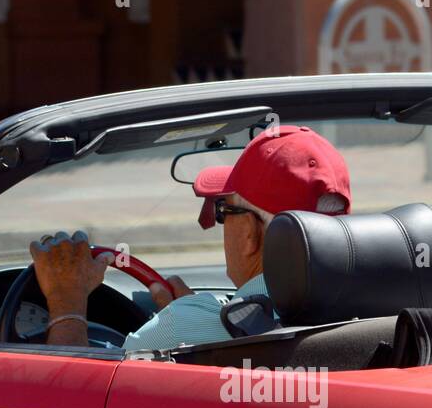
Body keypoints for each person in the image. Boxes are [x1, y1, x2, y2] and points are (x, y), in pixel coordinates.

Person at [31, 125, 351, 349]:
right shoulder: (380, 315)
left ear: (252, 234)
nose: (221, 224)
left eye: (224, 210)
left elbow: (79, 406)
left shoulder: (185, 330)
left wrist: (66, 304)